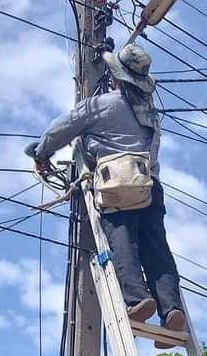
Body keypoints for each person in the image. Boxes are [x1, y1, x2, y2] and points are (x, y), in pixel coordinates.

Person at [27, 43, 185, 332]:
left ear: (115, 77)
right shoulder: (151, 114)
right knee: (156, 248)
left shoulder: (102, 105)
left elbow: (62, 128)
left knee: (122, 238)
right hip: (149, 184)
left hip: (116, 183)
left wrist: (40, 152)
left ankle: (137, 299)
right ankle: (171, 308)